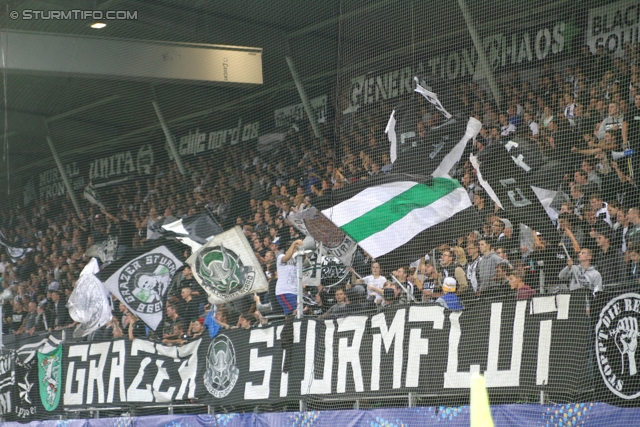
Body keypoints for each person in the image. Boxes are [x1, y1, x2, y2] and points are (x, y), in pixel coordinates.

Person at [275, 239, 304, 315]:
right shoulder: (281, 257)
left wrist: (302, 249)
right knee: (293, 313)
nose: (296, 251)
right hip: (284, 291)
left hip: (295, 292)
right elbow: (287, 257)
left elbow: (305, 260)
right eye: (295, 249)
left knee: (292, 315)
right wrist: (294, 243)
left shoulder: (298, 260)